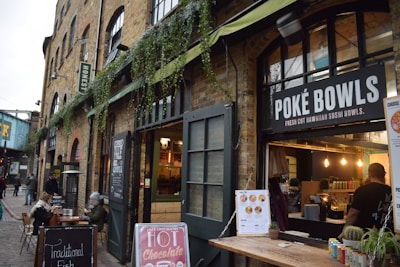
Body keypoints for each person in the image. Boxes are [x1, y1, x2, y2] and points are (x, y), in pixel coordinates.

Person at [339, 163, 393, 239]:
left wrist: (345, 230)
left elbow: (353, 213)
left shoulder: (362, 190)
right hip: (387, 238)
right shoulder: (391, 191)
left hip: (365, 237)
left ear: (369, 174)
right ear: (383, 175)